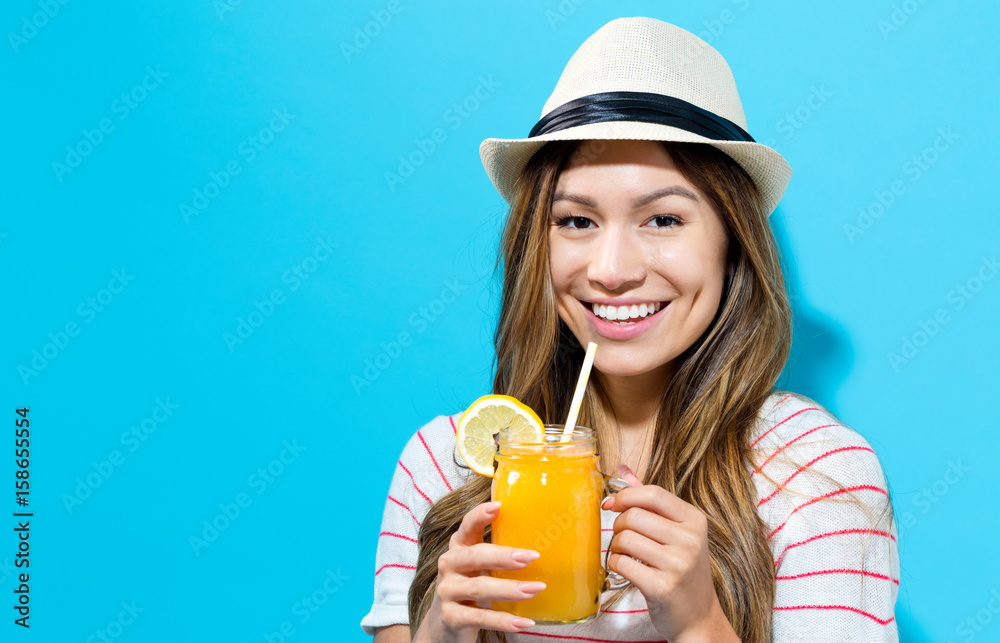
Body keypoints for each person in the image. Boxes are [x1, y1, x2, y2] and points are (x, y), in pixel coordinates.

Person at [362, 17, 898, 643]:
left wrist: (701, 624)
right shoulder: (446, 466)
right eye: (577, 221)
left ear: (733, 244)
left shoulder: (816, 473)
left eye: (664, 219)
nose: (611, 271)